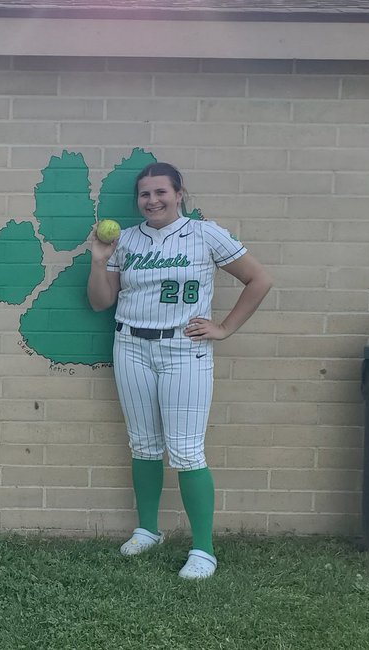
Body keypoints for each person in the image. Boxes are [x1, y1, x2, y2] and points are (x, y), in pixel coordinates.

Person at [86, 162, 272, 579]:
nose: (152, 200)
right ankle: (148, 529)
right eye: (145, 194)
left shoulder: (205, 233)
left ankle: (203, 550)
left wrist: (224, 327)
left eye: (160, 192)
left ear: (179, 193)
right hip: (131, 343)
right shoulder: (128, 240)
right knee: (143, 445)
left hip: (184, 348)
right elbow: (101, 302)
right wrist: (100, 260)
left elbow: (258, 279)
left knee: (186, 451)